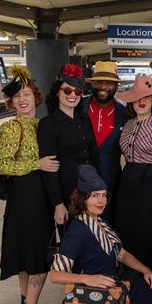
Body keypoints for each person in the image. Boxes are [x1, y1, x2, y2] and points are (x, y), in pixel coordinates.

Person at [38, 165, 152, 304]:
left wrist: (146, 269)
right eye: (95, 195)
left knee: (151, 280)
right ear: (83, 198)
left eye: (104, 195)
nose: (101, 201)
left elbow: (121, 254)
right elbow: (55, 275)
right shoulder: (78, 231)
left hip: (114, 278)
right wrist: (88, 279)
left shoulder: (101, 222)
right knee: (147, 294)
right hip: (97, 291)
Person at [0, 66, 59, 304]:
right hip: (26, 196)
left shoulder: (41, 124)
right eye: (17, 97)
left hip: (40, 195)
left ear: (36, 97)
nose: (23, 100)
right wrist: (38, 164)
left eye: (27, 94)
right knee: (37, 257)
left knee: (28, 255)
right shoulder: (11, 127)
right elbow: (2, 165)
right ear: (12, 103)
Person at [38, 63, 100, 230]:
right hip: (67, 197)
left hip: (90, 193)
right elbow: (49, 169)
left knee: (93, 242)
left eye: (77, 91)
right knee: (73, 243)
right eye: (67, 90)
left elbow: (94, 155)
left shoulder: (84, 119)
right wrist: (58, 204)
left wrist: (99, 190)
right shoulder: (48, 125)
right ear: (57, 92)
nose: (72, 95)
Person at [113, 76, 152, 270]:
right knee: (125, 229)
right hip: (126, 182)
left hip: (150, 184)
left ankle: (149, 282)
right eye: (137, 98)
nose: (141, 102)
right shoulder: (127, 125)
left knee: (147, 231)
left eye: (146, 98)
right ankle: (127, 280)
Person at [82, 61, 126, 225]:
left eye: (109, 83)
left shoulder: (125, 114)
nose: (103, 86)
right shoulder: (79, 108)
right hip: (80, 184)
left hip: (110, 185)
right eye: (99, 81)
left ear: (115, 86)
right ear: (92, 83)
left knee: (107, 229)